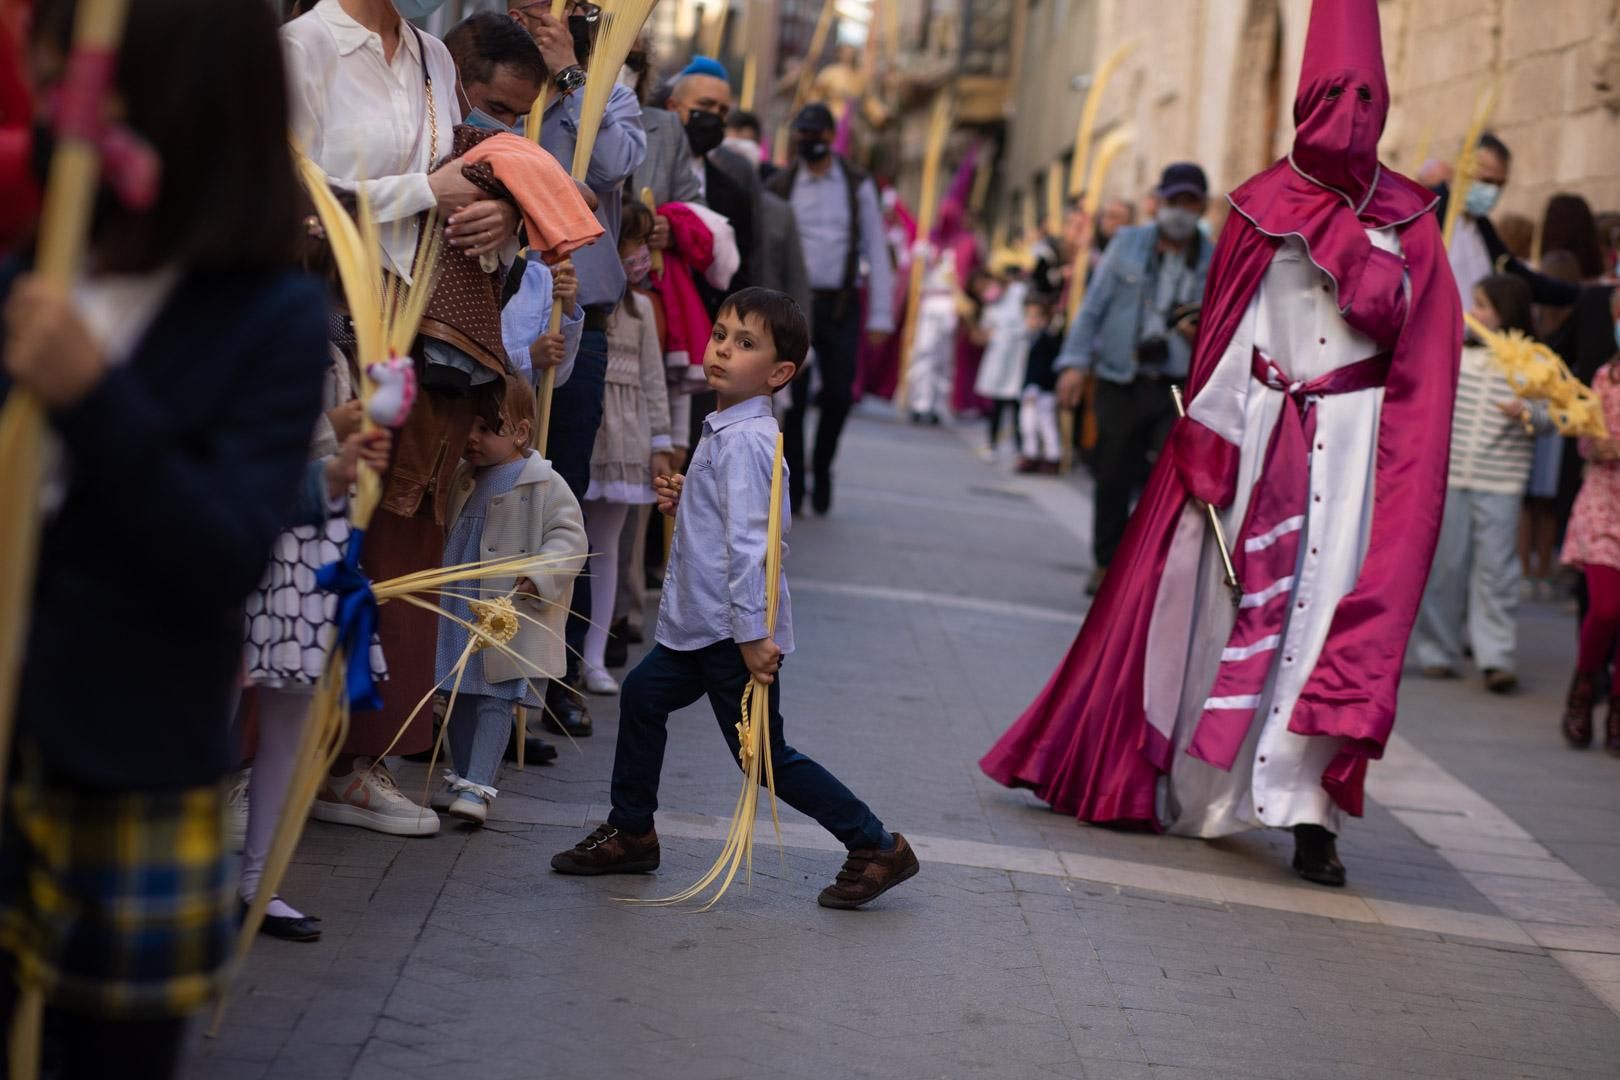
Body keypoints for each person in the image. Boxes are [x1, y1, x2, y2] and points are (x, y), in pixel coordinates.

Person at [983, 0, 1462, 888]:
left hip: (1357, 452)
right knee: (1235, 612)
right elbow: (1233, 334)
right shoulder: (1255, 208)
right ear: (1305, 96)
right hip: (1265, 433)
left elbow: (1425, 355)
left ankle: (1311, 815)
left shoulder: (1412, 221)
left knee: (1326, 620)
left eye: (1368, 94)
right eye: (1335, 91)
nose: (1352, 109)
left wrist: (1359, 260)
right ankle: (1208, 788)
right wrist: (1211, 430)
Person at [0, 0, 329, 1069]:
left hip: (128, 763)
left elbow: (220, 552)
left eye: (93, 89)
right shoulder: (34, 268)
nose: (64, 117)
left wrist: (95, 395)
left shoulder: (271, 319)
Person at [550, 288, 919, 909]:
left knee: (763, 757)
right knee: (642, 697)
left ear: (779, 374)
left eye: (744, 343)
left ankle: (877, 844)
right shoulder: (728, 430)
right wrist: (686, 497)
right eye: (720, 334)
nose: (722, 349)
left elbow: (752, 548)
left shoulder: (747, 442)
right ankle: (634, 829)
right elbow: (725, 523)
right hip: (699, 628)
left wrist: (753, 636)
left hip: (730, 634)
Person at [286, 0, 520, 836]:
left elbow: (466, 188)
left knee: (399, 539)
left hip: (421, 334)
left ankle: (353, 762)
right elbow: (293, 200)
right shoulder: (305, 47)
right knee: (304, 541)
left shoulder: (432, 56)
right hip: (327, 322)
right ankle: (255, 769)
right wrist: (424, 188)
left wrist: (498, 217)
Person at [511, 0, 648, 740]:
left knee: (560, 496)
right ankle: (478, 675)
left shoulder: (610, 92)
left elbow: (619, 162)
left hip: (579, 323)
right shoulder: (495, 73)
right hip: (499, 313)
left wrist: (569, 78)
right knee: (495, 498)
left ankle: (553, 670)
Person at [240, 361, 393, 944]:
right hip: (241, 547)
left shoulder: (329, 346)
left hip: (307, 555)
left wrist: (351, 457)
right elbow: (245, 454)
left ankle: (258, 883)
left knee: (289, 720)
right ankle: (188, 879)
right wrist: (332, 433)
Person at [1054, 162, 1214, 596]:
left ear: (1202, 207)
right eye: (1174, 201)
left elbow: (1225, 327)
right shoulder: (1127, 244)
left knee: (1167, 482)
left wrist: (1200, 331)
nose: (1181, 211)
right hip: (1120, 378)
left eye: (1190, 203)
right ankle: (1106, 564)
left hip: (1177, 385)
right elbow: (1093, 307)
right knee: (1112, 476)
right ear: (1158, 201)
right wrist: (1073, 363)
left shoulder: (1213, 258)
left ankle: (1148, 569)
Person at [432, 378, 586, 824]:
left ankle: (480, 785)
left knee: (495, 696)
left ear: (520, 432)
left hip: (506, 613)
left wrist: (539, 575)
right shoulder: (463, 476)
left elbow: (570, 538)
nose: (472, 438)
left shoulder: (544, 483)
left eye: (487, 428)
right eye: (470, 426)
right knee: (457, 692)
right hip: (459, 605)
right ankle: (461, 776)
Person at [1412, 275, 1550, 693]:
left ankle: (1496, 656)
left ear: (1507, 313)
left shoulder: (1534, 365)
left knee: (1496, 571)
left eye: (1484, 305)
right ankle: (1438, 651)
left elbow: (1551, 418)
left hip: (1502, 482)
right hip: (1452, 476)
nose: (1475, 312)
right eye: (1474, 304)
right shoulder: (1458, 354)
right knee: (1445, 566)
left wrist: (1527, 413)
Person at [767, 102, 895, 515]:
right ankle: (798, 485)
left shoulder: (857, 184)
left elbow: (876, 247)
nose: (809, 143)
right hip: (796, 306)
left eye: (816, 136)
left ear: (830, 137)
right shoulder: (785, 184)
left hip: (841, 305)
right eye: (801, 136)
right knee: (796, 396)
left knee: (839, 395)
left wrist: (880, 315)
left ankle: (823, 465)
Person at [579, 203, 673, 694]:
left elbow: (654, 381)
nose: (642, 255)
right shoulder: (585, 297)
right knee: (572, 542)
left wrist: (661, 441)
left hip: (625, 436)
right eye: (634, 243)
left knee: (606, 547)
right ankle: (567, 653)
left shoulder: (643, 310)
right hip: (588, 431)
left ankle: (595, 656)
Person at [1559, 288, 1620, 752]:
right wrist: (1593, 445)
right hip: (1604, 501)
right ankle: (1583, 688)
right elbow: (1585, 431)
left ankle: (1617, 706)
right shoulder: (1605, 376)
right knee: (1604, 608)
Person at [973, 259, 1032, 457]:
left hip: (1017, 353)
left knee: (1016, 403)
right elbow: (983, 330)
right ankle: (992, 442)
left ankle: (1020, 447)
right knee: (997, 402)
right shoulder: (993, 299)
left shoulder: (1019, 292)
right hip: (999, 353)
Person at [1018, 298, 1065, 475]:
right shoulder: (1031, 338)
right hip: (1032, 388)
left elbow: (1042, 367)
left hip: (1042, 390)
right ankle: (1031, 453)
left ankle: (1052, 456)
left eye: (1036, 317)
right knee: (1028, 424)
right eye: (1029, 316)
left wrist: (1034, 387)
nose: (1032, 321)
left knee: (1045, 423)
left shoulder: (1046, 341)